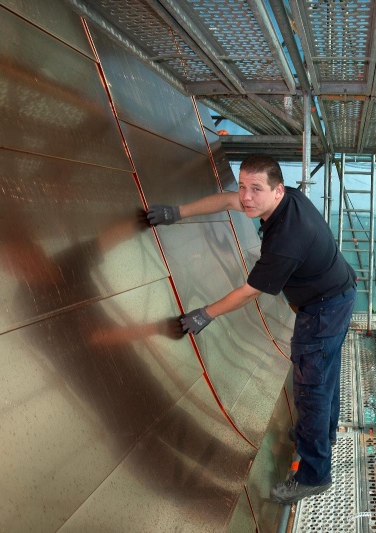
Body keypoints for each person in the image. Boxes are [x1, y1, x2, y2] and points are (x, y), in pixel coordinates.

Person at [147, 154, 356, 505]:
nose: (246, 197)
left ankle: (314, 475)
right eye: (244, 186)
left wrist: (205, 314)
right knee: (324, 375)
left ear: (276, 191)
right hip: (336, 294)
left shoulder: (288, 239)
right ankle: (322, 433)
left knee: (311, 386)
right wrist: (176, 213)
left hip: (324, 309)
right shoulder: (281, 199)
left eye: (255, 189)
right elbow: (226, 200)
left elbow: (250, 291)